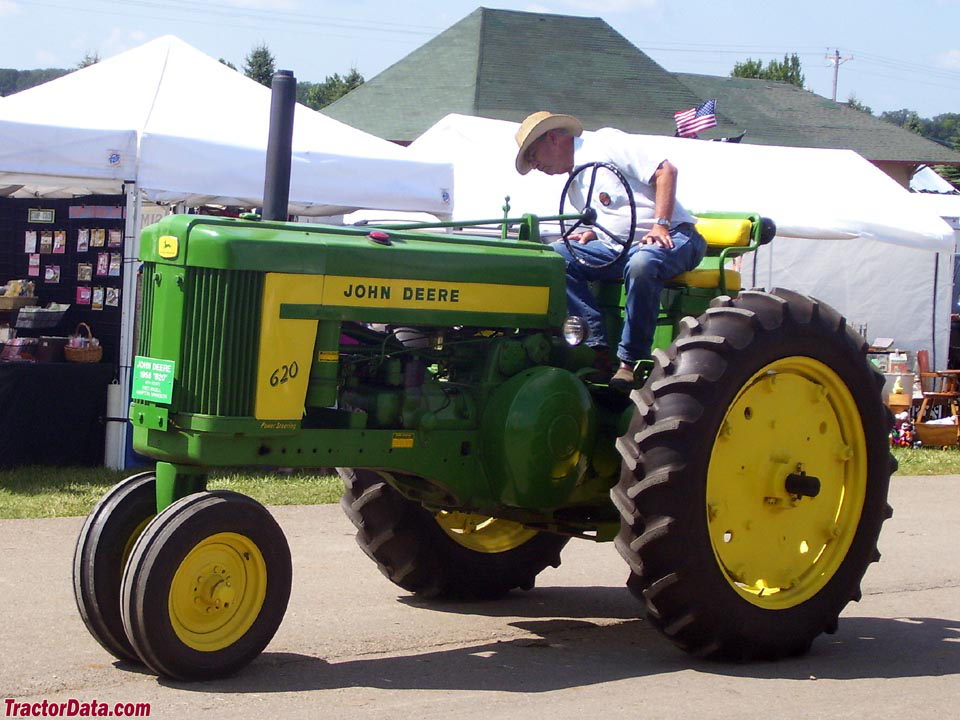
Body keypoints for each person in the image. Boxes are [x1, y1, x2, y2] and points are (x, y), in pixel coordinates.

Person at [515, 111, 706, 390]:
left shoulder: (605, 143)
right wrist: (594, 232)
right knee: (557, 256)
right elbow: (614, 215)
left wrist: (661, 225)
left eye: (533, 155)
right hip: (618, 247)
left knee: (643, 264)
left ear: (553, 137)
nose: (535, 166)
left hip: (675, 236)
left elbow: (666, 171)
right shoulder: (575, 186)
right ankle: (595, 349)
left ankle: (631, 362)